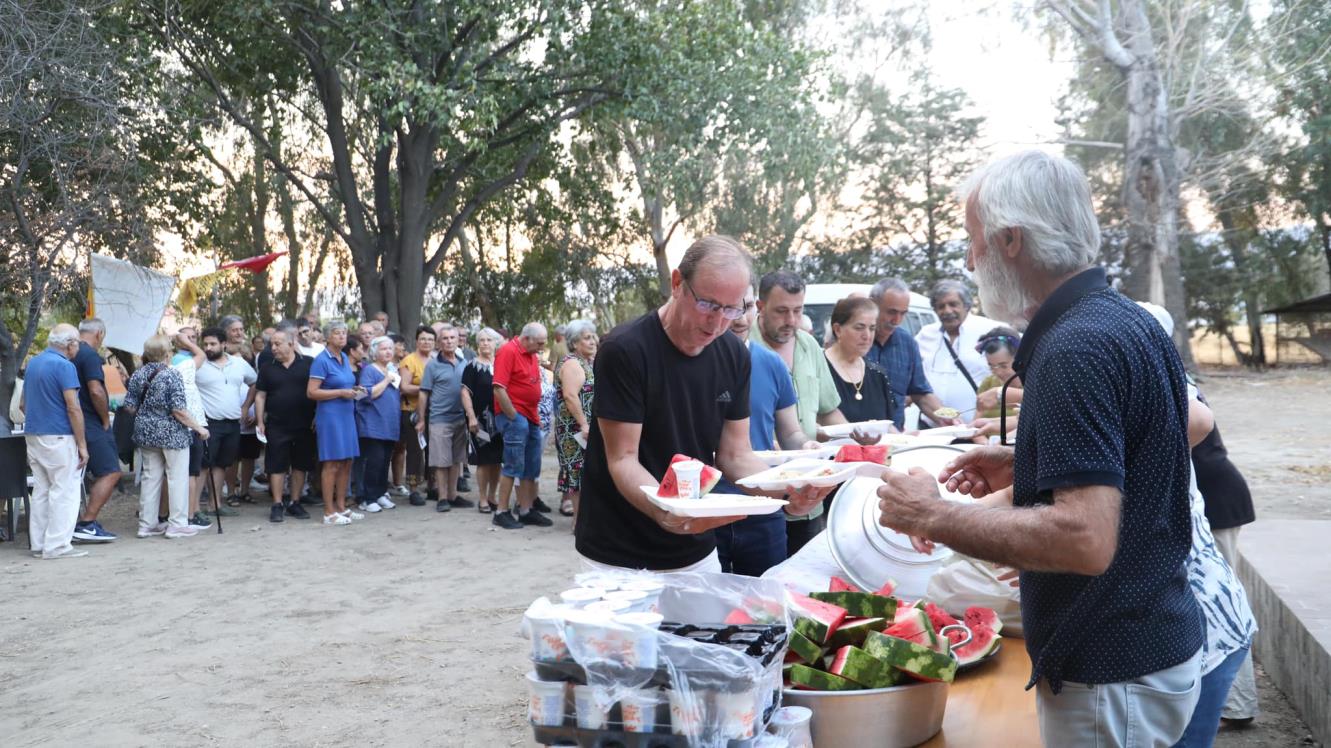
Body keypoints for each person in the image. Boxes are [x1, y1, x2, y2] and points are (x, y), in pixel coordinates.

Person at [876, 150, 1203, 746]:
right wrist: (1030, 461)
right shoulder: (1124, 320)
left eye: (973, 241)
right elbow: (1138, 453)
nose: (969, 259)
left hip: (1111, 670)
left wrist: (932, 514)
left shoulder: (1074, 348)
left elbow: (1084, 539)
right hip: (1146, 644)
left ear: (1008, 241)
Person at [575, 235, 828, 571]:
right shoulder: (626, 350)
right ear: (678, 283)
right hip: (617, 551)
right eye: (708, 304)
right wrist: (668, 509)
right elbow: (623, 459)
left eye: (733, 308)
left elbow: (735, 455)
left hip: (696, 549)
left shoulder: (734, 354)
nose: (720, 322)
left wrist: (786, 491)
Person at [751, 270, 857, 554]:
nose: (792, 321)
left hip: (808, 494)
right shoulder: (742, 345)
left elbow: (828, 410)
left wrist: (855, 444)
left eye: (798, 311)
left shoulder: (809, 345)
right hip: (760, 492)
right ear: (760, 307)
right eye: (782, 311)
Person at [714, 287, 810, 575]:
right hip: (707, 507)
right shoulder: (696, 362)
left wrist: (806, 446)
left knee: (764, 607)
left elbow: (790, 431)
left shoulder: (772, 363)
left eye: (747, 308)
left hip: (762, 506)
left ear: (756, 307)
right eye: (732, 308)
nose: (741, 318)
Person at [122, 335, 209, 539]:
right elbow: (178, 410)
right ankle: (177, 523)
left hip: (145, 432)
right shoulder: (172, 375)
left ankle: (147, 524)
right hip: (172, 434)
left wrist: (148, 415)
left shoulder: (138, 374)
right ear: (167, 354)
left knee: (150, 477)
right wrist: (199, 428)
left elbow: (129, 406)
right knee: (177, 477)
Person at [20, 324, 89, 559]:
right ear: (70, 344)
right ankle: (58, 545)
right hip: (59, 435)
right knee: (65, 490)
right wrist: (82, 445)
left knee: (41, 490)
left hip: (34, 433)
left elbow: (22, 404)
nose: (78, 346)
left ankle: (39, 544)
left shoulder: (34, 363)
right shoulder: (65, 366)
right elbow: (73, 407)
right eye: (77, 342)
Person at [867, 278, 955, 430]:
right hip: (854, 439)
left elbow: (920, 392)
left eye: (903, 313)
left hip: (895, 439)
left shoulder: (907, 343)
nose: (897, 320)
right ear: (872, 304)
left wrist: (945, 418)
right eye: (891, 312)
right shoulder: (855, 341)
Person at [491, 323, 553, 529]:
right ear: (527, 339)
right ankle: (501, 511)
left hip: (531, 417)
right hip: (515, 417)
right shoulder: (507, 351)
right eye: (540, 343)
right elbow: (499, 388)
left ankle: (526, 510)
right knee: (512, 464)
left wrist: (533, 418)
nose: (542, 347)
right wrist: (514, 417)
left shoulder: (532, 355)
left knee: (531, 465)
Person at [914, 280, 998, 427]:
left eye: (953, 304)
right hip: (932, 427)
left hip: (978, 429)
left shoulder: (990, 331)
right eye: (941, 306)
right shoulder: (925, 335)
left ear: (966, 305)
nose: (947, 311)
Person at [254, 329, 315, 523]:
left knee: (300, 465)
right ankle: (277, 504)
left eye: (277, 344)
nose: (273, 348)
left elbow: (317, 390)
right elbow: (260, 395)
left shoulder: (308, 364)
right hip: (277, 424)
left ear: (291, 343)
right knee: (276, 465)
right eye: (272, 344)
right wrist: (260, 421)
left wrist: (317, 416)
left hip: (305, 424)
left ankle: (295, 502)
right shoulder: (266, 367)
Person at [195, 326, 257, 515]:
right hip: (208, 422)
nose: (208, 347)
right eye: (205, 344)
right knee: (203, 465)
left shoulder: (238, 364)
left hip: (232, 423)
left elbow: (254, 382)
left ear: (224, 344)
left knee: (222, 464)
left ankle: (215, 505)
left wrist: (246, 406)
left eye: (213, 344)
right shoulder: (197, 364)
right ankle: (194, 509)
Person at [307, 321, 362, 525]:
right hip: (330, 416)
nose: (342, 337)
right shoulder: (321, 360)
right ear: (328, 337)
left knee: (347, 460)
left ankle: (341, 506)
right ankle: (329, 512)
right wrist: (340, 392)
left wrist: (355, 390)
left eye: (344, 333)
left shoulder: (344, 357)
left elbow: (345, 383)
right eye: (337, 333)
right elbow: (311, 392)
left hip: (347, 413)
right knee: (332, 462)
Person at [70, 318, 121, 543]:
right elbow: (96, 391)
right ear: (99, 333)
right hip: (91, 421)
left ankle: (76, 522)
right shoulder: (89, 354)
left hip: (73, 421)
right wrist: (105, 419)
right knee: (111, 471)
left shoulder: (69, 353)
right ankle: (87, 522)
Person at [416, 324, 475, 514]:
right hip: (439, 419)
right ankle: (442, 498)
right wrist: (421, 419)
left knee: (457, 459)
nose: (449, 341)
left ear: (459, 341)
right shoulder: (432, 365)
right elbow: (424, 393)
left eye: (452, 338)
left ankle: (453, 495)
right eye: (445, 338)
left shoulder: (464, 362)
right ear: (439, 342)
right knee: (441, 461)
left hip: (460, 418)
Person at [823, 297, 897, 426]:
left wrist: (905, 438)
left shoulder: (877, 374)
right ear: (837, 330)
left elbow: (887, 426)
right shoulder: (818, 368)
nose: (867, 336)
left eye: (872, 328)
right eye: (859, 328)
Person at [554, 320, 597, 519]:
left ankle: (584, 521)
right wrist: (584, 424)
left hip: (583, 428)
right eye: (586, 338)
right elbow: (570, 396)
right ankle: (578, 523)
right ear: (574, 343)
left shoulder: (585, 362)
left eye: (593, 337)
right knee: (577, 474)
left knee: (585, 473)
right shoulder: (572, 363)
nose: (592, 341)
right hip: (575, 430)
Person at [171, 328, 214, 527]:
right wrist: (186, 342)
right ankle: (189, 515)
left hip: (186, 421)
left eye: (194, 337)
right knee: (191, 473)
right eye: (188, 337)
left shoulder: (176, 361)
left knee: (182, 472)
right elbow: (202, 354)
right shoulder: (182, 361)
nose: (192, 341)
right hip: (191, 423)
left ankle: (175, 515)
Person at [461, 327, 504, 514]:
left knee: (497, 460)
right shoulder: (472, 366)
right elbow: (464, 392)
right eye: (482, 340)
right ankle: (482, 499)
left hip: (502, 420)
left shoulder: (502, 364)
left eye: (489, 340)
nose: (485, 343)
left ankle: (493, 496)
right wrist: (470, 416)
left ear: (496, 343)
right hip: (480, 421)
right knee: (484, 460)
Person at [356, 336, 401, 513]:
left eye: (390, 348)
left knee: (384, 461)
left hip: (389, 424)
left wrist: (391, 376)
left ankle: (381, 493)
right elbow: (364, 394)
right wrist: (386, 380)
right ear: (375, 352)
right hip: (372, 424)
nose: (388, 351)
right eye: (383, 349)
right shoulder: (369, 371)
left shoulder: (391, 370)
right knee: (374, 461)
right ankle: (368, 498)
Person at [393, 325, 434, 505]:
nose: (427, 342)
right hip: (412, 412)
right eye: (423, 339)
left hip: (435, 411)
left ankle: (433, 485)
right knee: (415, 451)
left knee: (434, 449)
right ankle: (414, 489)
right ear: (417, 341)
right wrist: (426, 388)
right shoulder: (409, 360)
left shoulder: (436, 360)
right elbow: (405, 387)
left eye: (431, 340)